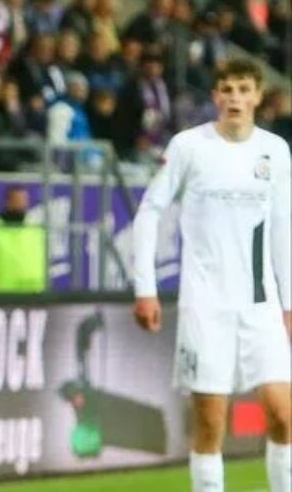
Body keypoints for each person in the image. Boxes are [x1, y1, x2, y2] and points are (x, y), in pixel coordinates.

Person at [132, 58, 291, 492]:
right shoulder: (190, 146)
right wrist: (145, 288)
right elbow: (150, 211)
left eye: (244, 89)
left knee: (284, 415)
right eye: (227, 89)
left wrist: (289, 303)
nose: (235, 97)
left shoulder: (275, 150)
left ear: (258, 96)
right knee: (210, 423)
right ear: (215, 96)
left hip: (261, 306)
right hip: (205, 307)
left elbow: (283, 227)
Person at [0, 184, 47, 293]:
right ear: (8, 202)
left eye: (24, 200)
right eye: (18, 200)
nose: (22, 204)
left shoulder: (37, 228)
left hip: (35, 292)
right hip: (4, 293)